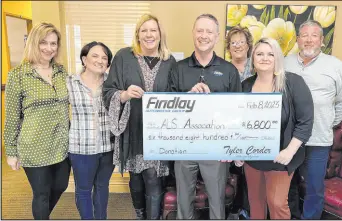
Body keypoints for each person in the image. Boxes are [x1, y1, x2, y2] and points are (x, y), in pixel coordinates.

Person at [102, 14, 176, 219]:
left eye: (153, 30)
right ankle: (140, 214)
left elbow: (176, 95)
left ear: (160, 35)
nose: (149, 34)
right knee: (135, 178)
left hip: (158, 133)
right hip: (132, 128)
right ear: (137, 34)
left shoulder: (170, 62)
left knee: (153, 177)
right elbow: (108, 91)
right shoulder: (124, 57)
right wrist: (124, 95)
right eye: (144, 30)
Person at [168, 14, 242, 219]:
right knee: (184, 201)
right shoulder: (178, 68)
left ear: (217, 37)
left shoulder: (228, 70)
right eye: (199, 30)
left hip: (216, 147)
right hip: (185, 145)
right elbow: (167, 108)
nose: (204, 35)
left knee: (217, 202)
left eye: (209, 31)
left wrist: (231, 146)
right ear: (193, 33)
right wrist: (187, 98)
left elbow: (236, 112)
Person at [235, 37, 314, 220]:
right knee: (256, 203)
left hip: (281, 156)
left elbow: (306, 122)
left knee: (277, 203)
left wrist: (289, 151)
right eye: (260, 53)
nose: (265, 58)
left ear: (277, 57)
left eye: (270, 54)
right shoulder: (246, 86)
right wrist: (237, 151)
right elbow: (239, 123)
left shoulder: (292, 83)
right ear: (253, 57)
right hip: (253, 156)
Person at [285, 20, 342, 219]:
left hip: (318, 140)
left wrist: (328, 120)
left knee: (314, 186)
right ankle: (291, 216)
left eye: (314, 35)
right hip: (288, 139)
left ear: (321, 40)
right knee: (286, 185)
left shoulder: (336, 66)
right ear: (297, 39)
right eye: (304, 35)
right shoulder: (285, 63)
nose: (309, 40)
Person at [4, 22, 71, 219]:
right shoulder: (18, 75)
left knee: (61, 185)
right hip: (34, 146)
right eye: (44, 42)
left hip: (61, 144)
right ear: (34, 43)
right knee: (41, 194)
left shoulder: (61, 72)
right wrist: (11, 151)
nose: (49, 48)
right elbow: (12, 116)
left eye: (53, 43)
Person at [66, 41, 114, 219]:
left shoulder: (112, 83)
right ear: (84, 59)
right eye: (95, 56)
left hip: (108, 147)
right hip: (81, 148)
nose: (100, 60)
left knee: (102, 187)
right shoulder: (70, 83)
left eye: (104, 57)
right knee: (84, 190)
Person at [225, 25, 253, 220]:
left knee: (250, 170)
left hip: (253, 127)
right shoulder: (223, 68)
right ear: (228, 47)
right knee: (232, 169)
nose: (237, 46)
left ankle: (245, 209)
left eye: (241, 42)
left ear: (248, 45)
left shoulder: (258, 66)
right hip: (229, 127)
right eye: (233, 42)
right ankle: (233, 208)